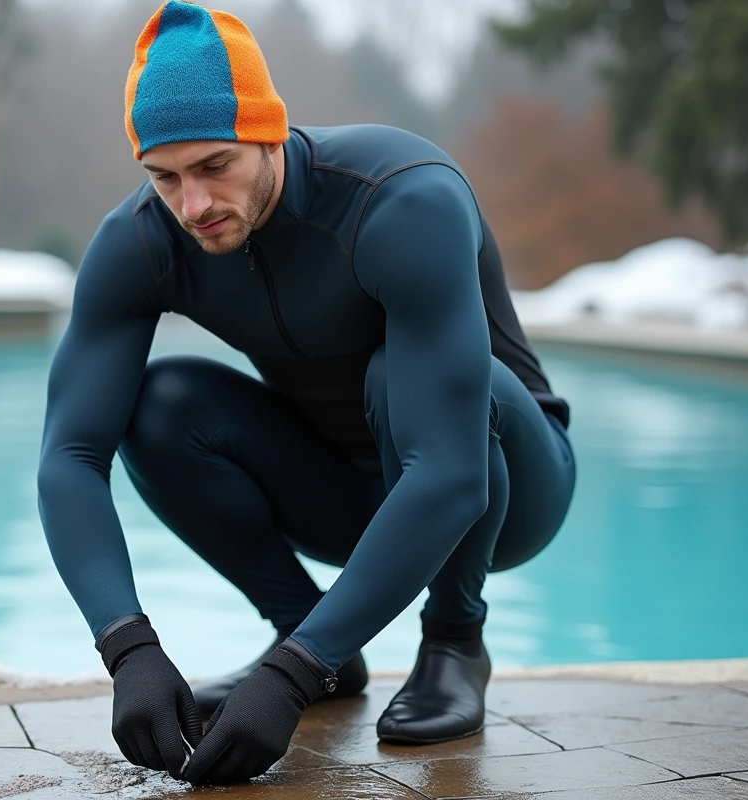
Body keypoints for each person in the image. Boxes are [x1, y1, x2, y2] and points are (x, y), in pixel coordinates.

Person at [37, 0, 576, 785]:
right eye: (165, 176)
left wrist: (286, 679)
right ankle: (317, 640)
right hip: (341, 491)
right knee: (158, 404)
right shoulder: (142, 241)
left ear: (267, 132)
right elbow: (70, 455)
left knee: (395, 374)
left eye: (215, 165)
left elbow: (451, 474)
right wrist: (129, 648)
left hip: (502, 483)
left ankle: (456, 643)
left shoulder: (401, 197)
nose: (194, 205)